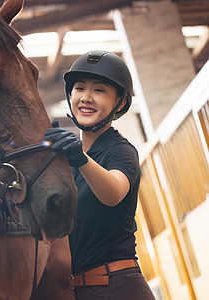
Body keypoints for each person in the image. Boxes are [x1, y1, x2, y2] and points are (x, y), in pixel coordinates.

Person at [45, 50, 155, 299]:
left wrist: (80, 159)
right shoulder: (65, 160)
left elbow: (113, 192)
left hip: (118, 287)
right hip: (76, 290)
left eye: (99, 90)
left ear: (121, 102)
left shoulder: (121, 150)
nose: (86, 97)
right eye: (79, 88)